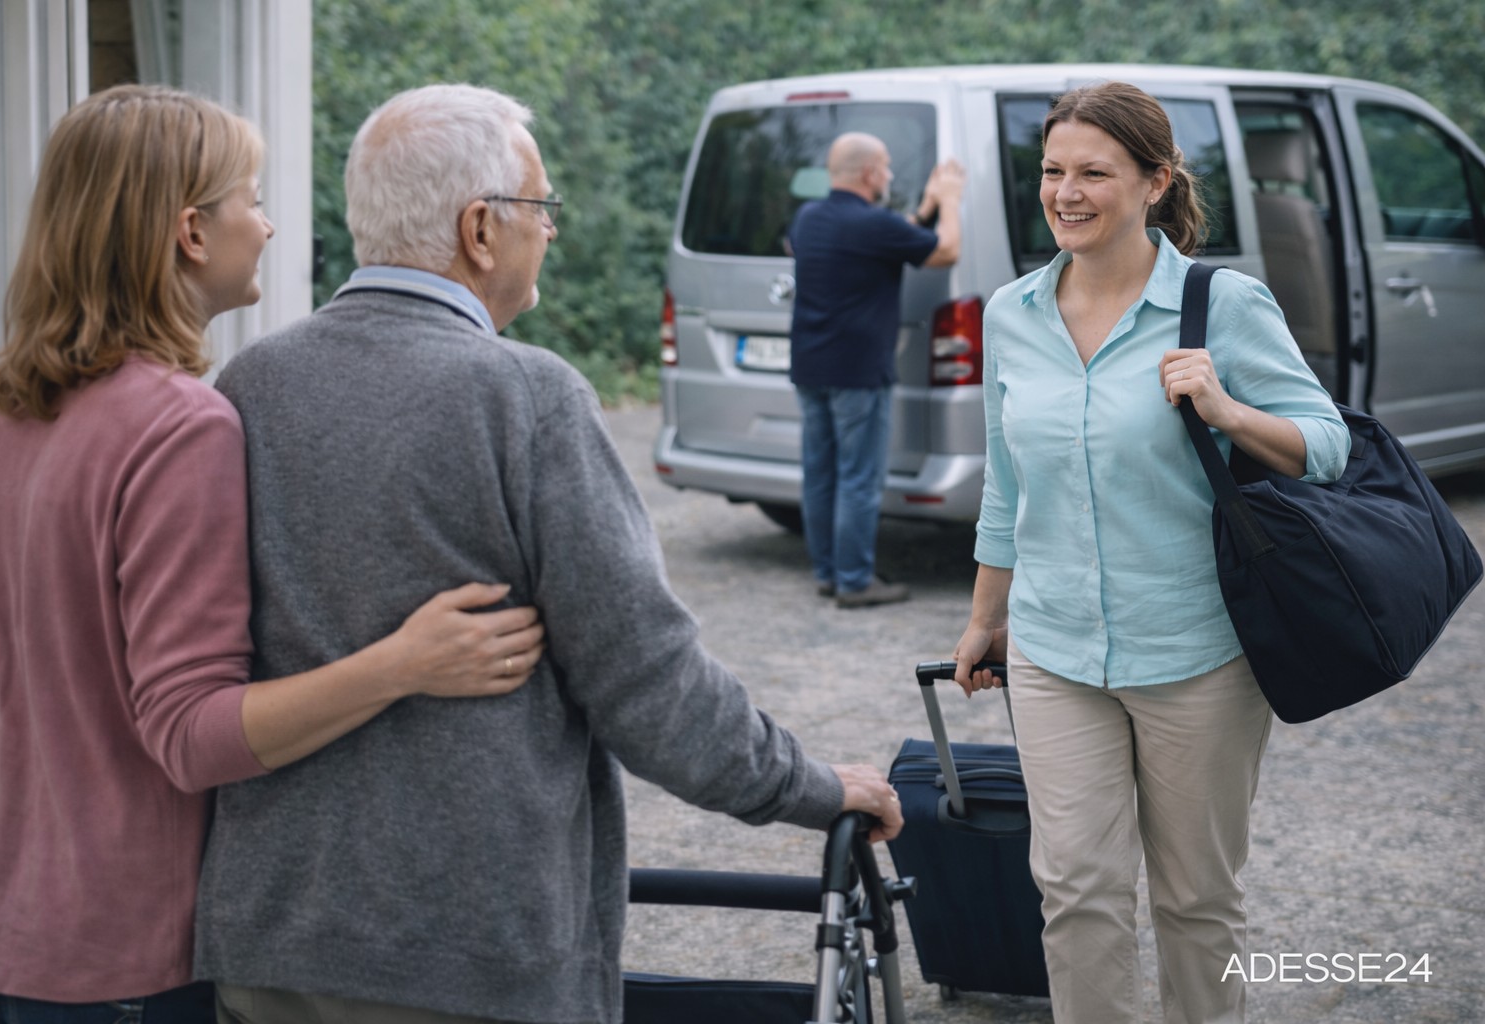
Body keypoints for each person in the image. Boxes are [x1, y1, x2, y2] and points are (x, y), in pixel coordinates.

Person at [191, 83, 903, 1024]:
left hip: (271, 944)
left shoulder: (246, 384)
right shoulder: (525, 395)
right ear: (480, 229)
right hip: (467, 957)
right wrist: (806, 785)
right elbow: (645, 681)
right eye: (542, 209)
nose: (551, 233)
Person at [0, 85, 545, 1024]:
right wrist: (408, 663)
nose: (270, 227)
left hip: (13, 931)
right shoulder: (179, 425)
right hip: (135, 957)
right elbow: (192, 735)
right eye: (254, 200)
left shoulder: (20, 411)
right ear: (192, 231)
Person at [951, 82, 1349, 1024]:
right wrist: (984, 619)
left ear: (1155, 181)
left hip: (1196, 652)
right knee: (1077, 893)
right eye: (1054, 171)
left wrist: (1228, 410)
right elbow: (1008, 485)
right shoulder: (1011, 314)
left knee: (1195, 901)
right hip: (1055, 652)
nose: (1067, 192)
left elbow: (1328, 447)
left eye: (1095, 172)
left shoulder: (1221, 304)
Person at [786, 132, 966, 609]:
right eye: (886, 167)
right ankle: (855, 581)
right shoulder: (872, 226)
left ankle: (829, 573)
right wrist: (948, 202)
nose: (889, 175)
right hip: (858, 372)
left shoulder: (809, 218)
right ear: (869, 174)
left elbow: (890, 237)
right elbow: (946, 251)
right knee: (859, 479)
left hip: (810, 367)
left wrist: (924, 209)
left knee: (820, 474)